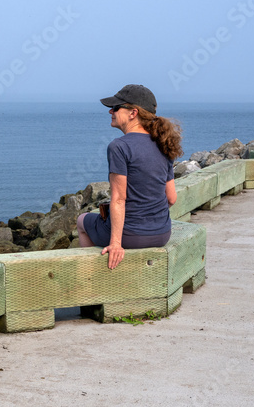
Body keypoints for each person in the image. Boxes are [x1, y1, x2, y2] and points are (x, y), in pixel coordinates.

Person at [76, 84, 183, 269]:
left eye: (116, 107)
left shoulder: (119, 147)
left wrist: (116, 243)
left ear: (133, 113)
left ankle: (93, 278)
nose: (111, 111)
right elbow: (171, 198)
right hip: (162, 234)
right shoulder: (163, 144)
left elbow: (119, 199)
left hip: (130, 235)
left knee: (81, 221)